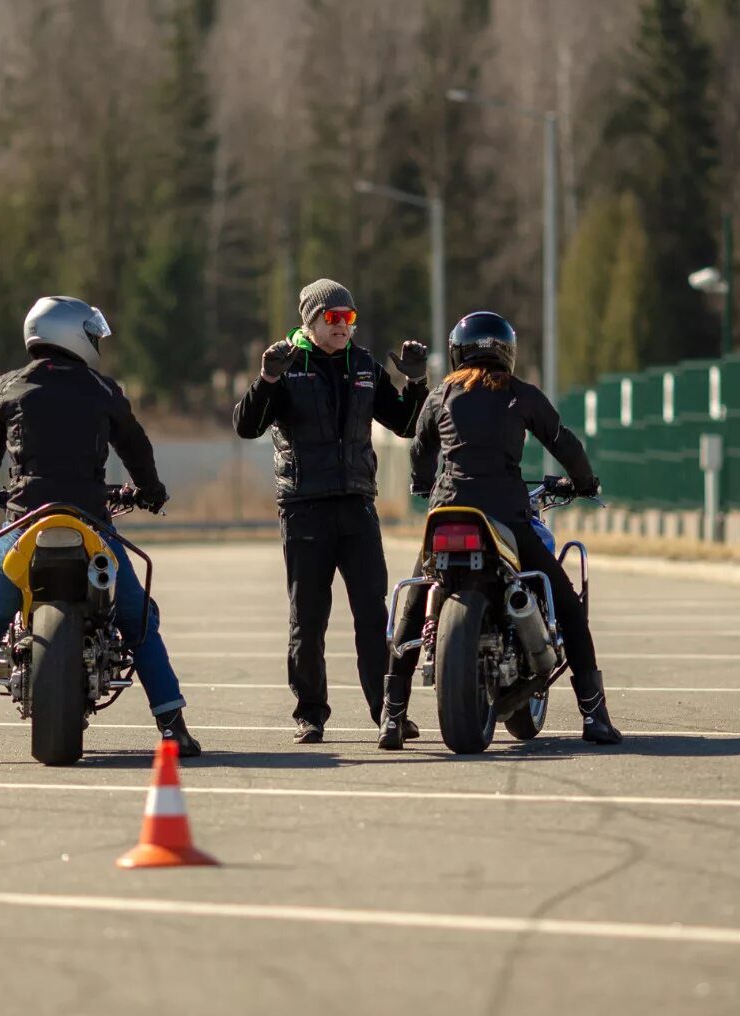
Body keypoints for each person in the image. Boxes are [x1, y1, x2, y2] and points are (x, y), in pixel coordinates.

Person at [0, 296, 201, 763]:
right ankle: (172, 727)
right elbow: (136, 447)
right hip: (89, 521)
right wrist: (150, 491)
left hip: (23, 523)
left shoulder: (6, 389)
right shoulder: (102, 389)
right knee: (137, 620)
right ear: (71, 333)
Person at [379, 310, 621, 749]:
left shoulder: (441, 393)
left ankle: (392, 717)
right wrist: (585, 482)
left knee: (415, 602)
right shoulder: (519, 393)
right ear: (506, 353)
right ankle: (595, 716)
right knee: (566, 602)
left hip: (447, 511)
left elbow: (419, 447)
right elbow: (563, 440)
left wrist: (421, 482)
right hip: (505, 514)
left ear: (457, 353)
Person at [233, 278, 430, 744]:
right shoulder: (286, 363)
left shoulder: (363, 365)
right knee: (308, 615)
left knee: (371, 612)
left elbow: (404, 424)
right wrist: (266, 382)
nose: (343, 325)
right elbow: (246, 426)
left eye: (349, 317)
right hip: (304, 508)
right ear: (312, 321)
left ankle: (388, 711)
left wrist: (417, 382)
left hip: (357, 505)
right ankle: (310, 714)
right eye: (334, 317)